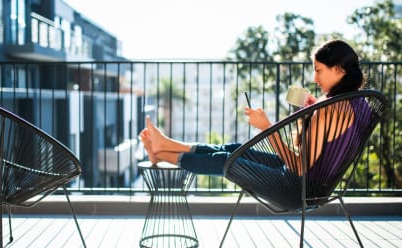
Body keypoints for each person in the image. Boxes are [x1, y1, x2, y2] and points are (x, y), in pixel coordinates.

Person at [140, 39, 366, 177]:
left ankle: (160, 153)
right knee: (235, 148)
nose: (315, 79)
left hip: (297, 186)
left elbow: (299, 167)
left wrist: (266, 128)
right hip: (310, 179)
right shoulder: (357, 103)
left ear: (338, 70)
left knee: (227, 160)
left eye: (319, 70)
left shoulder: (332, 110)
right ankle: (164, 146)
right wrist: (312, 109)